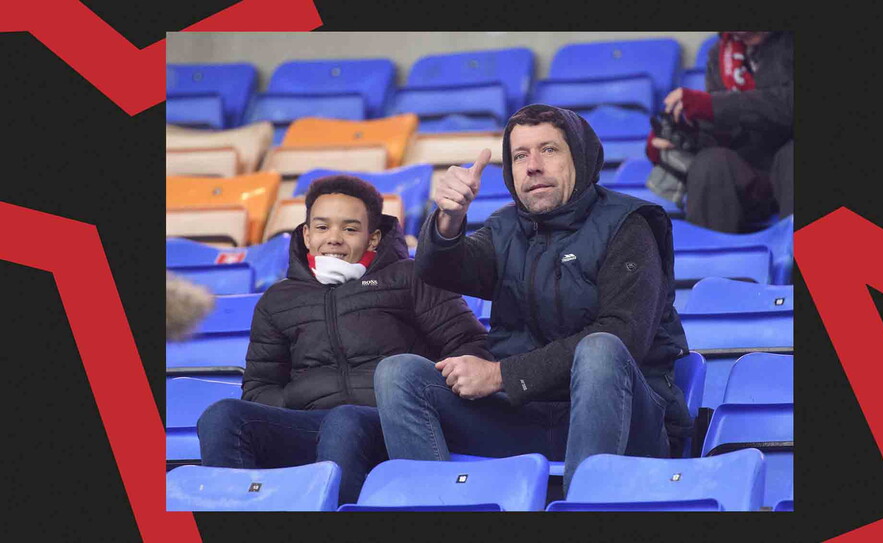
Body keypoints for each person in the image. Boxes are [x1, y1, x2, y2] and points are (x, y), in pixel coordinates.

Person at [374, 104, 692, 494]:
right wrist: (448, 219)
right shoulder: (506, 227)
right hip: (524, 416)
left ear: (580, 157)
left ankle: (583, 510)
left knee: (601, 349)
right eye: (520, 155)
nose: (533, 165)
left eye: (549, 150)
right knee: (400, 375)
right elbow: (440, 270)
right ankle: (439, 508)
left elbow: (625, 336)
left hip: (625, 418)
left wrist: (499, 375)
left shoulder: (629, 225)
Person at [196, 175, 489, 505]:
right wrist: (298, 402)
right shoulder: (277, 299)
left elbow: (468, 344)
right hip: (310, 424)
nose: (333, 239)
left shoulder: (410, 277)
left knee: (344, 420)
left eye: (349, 229)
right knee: (222, 416)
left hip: (390, 421)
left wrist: (424, 393)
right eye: (322, 228)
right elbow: (258, 388)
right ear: (306, 235)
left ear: (373, 237)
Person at [648, 31, 793, 233]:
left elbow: (788, 105)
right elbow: (726, 128)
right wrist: (685, 134)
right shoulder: (722, 52)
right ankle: (710, 261)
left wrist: (712, 105)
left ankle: (818, 262)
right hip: (752, 175)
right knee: (711, 163)